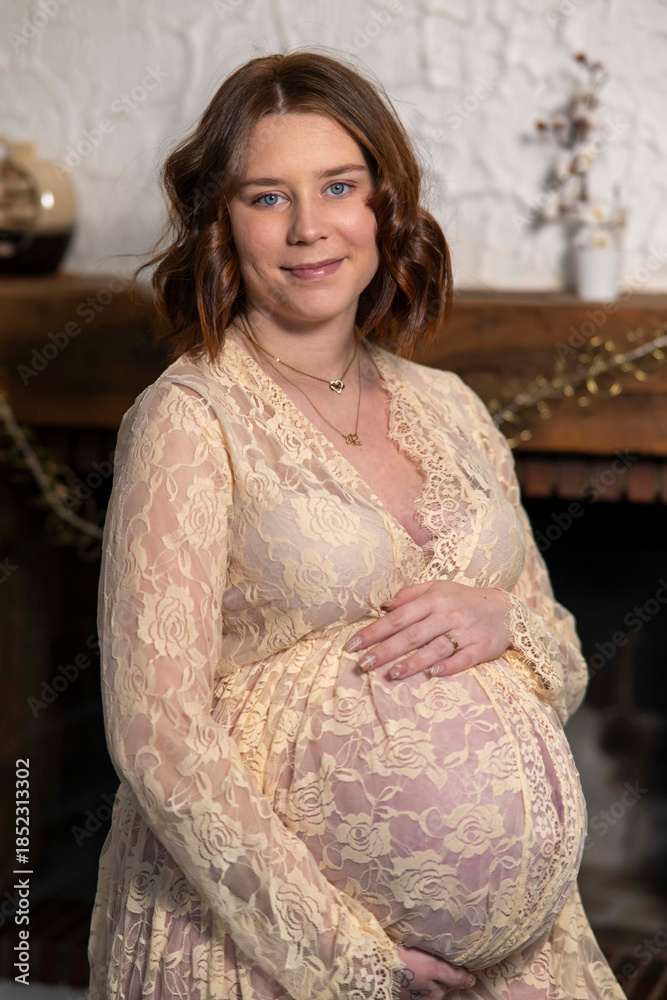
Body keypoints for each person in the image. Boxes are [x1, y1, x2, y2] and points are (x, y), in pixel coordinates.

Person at [87, 50, 627, 1000]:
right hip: (267, 950)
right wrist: (347, 958)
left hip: (521, 956)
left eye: (338, 186)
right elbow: (155, 736)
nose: (308, 228)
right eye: (267, 197)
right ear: (221, 222)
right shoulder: (188, 417)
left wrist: (501, 620)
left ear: (384, 204)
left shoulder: (451, 406)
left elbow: (566, 659)